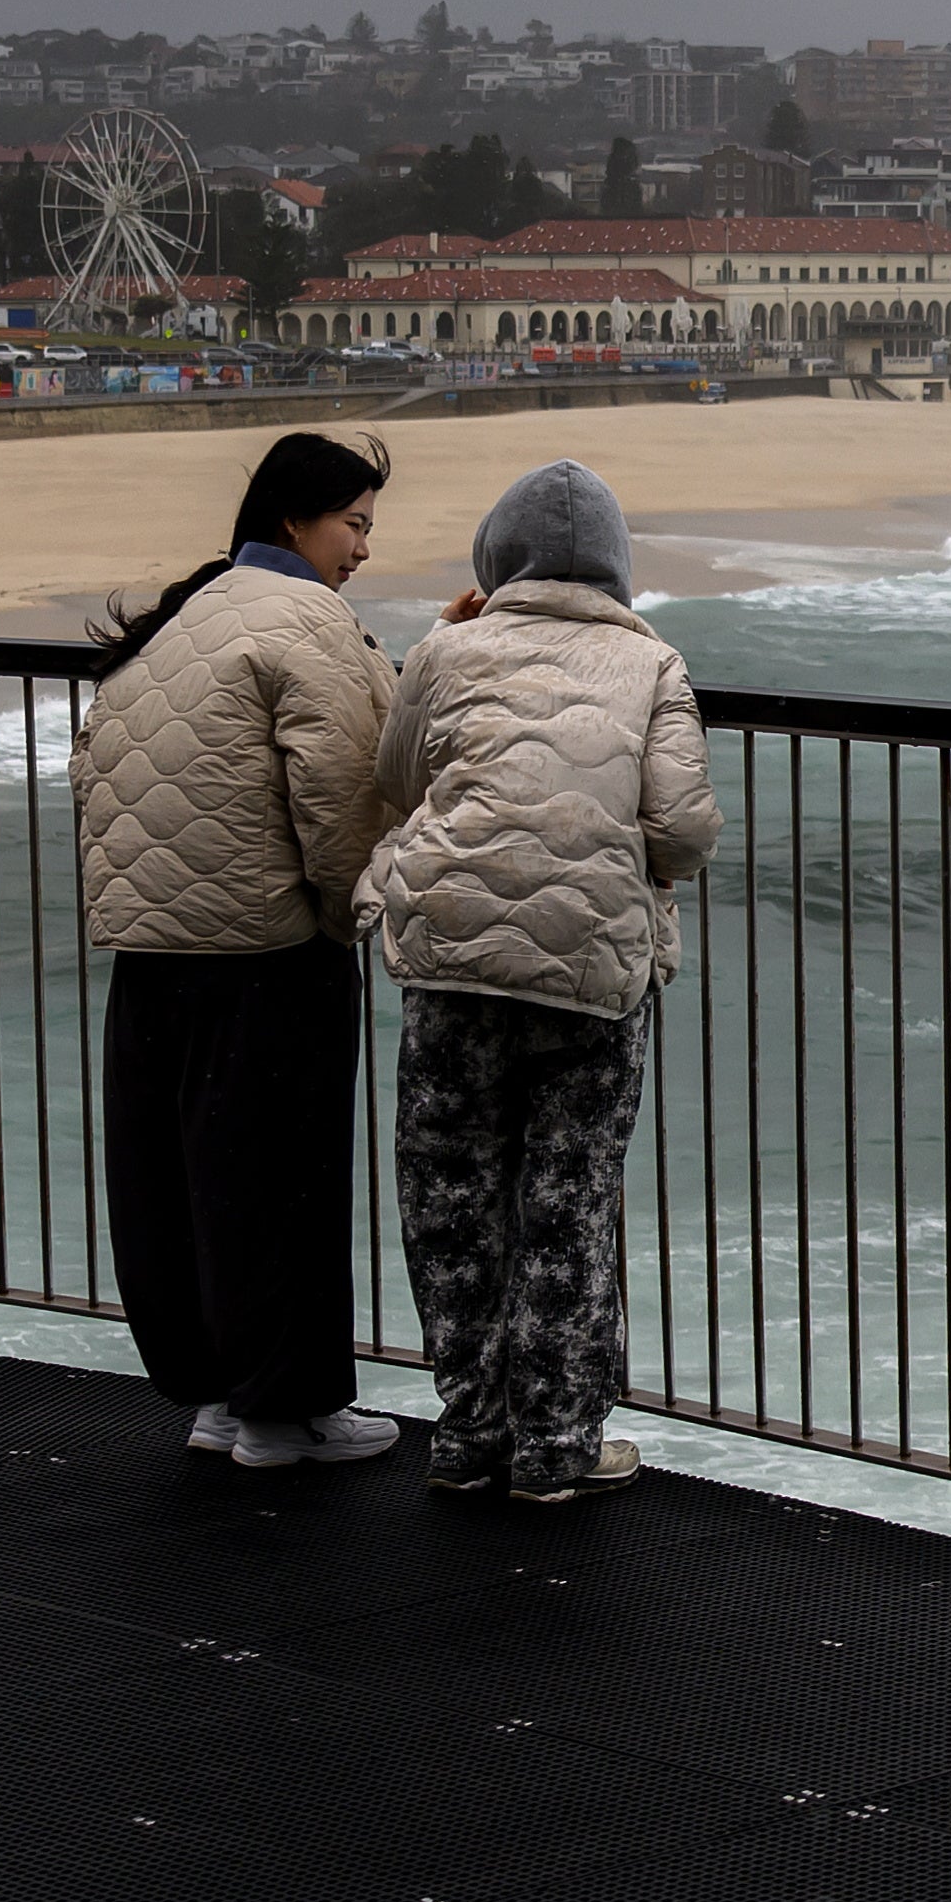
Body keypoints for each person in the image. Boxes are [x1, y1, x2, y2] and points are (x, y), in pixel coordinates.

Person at [366, 457, 713, 1502]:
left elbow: (395, 779)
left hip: (451, 957)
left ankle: (468, 1430)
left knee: (451, 1189)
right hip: (592, 974)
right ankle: (556, 1446)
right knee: (569, 1201)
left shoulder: (446, 646)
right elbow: (684, 829)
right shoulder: (653, 667)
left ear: (494, 561)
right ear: (616, 569)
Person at [77, 430, 403, 1470]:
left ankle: (217, 1396)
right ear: (294, 520)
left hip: (151, 951)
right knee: (280, 1182)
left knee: (176, 1183)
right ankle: (285, 1412)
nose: (361, 549)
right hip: (263, 956)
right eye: (353, 523)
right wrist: (353, 912)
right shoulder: (309, 622)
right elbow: (342, 795)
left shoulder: (185, 619)